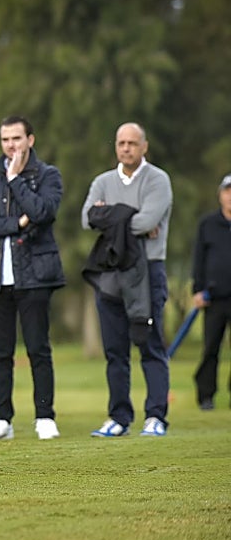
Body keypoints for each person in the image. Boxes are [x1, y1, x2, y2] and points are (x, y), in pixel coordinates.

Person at [0, 115, 64, 441]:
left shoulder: (48, 175)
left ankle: (45, 416)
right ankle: (2, 419)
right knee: (0, 353)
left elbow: (42, 213)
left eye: (17, 139)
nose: (11, 145)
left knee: (38, 348)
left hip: (35, 276)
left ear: (30, 140)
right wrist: (15, 224)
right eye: (6, 139)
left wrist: (17, 180)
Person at [81, 122, 173, 437]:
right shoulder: (103, 181)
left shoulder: (158, 180)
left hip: (148, 271)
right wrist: (127, 217)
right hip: (111, 272)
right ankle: (119, 417)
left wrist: (110, 217)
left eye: (133, 143)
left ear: (144, 146)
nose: (126, 148)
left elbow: (149, 219)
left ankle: (156, 416)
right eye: (121, 142)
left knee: (151, 347)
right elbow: (87, 217)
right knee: (115, 351)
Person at [192, 174, 231, 410]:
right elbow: (199, 259)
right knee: (210, 349)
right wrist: (197, 289)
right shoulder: (207, 224)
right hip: (214, 297)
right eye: (227, 191)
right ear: (220, 195)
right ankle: (206, 395)